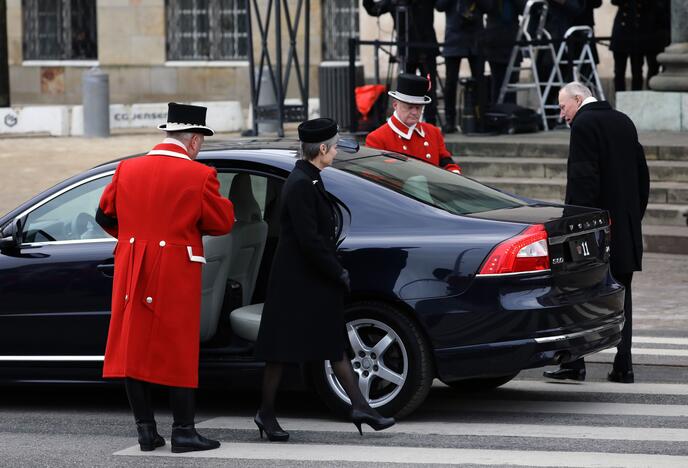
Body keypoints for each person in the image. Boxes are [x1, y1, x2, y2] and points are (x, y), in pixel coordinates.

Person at [95, 103, 235, 452]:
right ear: (194, 140)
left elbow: (103, 214)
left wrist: (133, 239)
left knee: (132, 346)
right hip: (175, 268)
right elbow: (222, 223)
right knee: (178, 348)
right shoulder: (199, 176)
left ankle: (146, 431)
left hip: (132, 264)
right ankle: (183, 431)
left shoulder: (127, 168)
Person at [253, 118, 395, 441]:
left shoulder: (311, 178)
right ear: (322, 150)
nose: (336, 152)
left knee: (333, 343)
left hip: (309, 280)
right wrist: (337, 271)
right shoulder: (301, 183)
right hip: (296, 284)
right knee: (280, 351)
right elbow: (310, 240)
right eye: (333, 147)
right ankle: (266, 413)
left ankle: (360, 406)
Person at [544, 82, 649, 384]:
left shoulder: (584, 124)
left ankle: (574, 364)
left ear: (578, 99)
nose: (562, 114)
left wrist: (570, 228)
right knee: (622, 295)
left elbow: (583, 182)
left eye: (563, 107)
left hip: (594, 231)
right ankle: (624, 364)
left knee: (576, 292)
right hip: (625, 227)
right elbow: (643, 177)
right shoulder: (623, 120)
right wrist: (631, 218)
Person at [363, 0, 441, 125]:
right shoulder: (396, 1)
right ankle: (405, 122)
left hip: (426, 47)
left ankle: (431, 123)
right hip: (406, 50)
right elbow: (374, 9)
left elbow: (441, 5)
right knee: (406, 89)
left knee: (429, 87)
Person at [365, 73, 462, 174]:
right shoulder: (377, 138)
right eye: (409, 107)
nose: (415, 112)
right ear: (395, 105)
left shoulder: (433, 131)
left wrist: (454, 173)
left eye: (418, 107)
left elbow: (446, 161)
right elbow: (374, 177)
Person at [436, 0, 485, 134]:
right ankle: (450, 121)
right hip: (454, 37)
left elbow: (488, 6)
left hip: (475, 37)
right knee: (451, 83)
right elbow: (439, 6)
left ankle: (480, 120)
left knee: (480, 81)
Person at [475, 0, 527, 105]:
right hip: (494, 41)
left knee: (512, 83)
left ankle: (511, 112)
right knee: (497, 82)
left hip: (512, 40)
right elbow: (488, 7)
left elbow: (524, 9)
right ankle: (497, 114)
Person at [610, 0, 667, 91]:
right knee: (619, 71)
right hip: (622, 32)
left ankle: (636, 99)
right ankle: (619, 100)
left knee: (637, 71)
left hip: (640, 32)